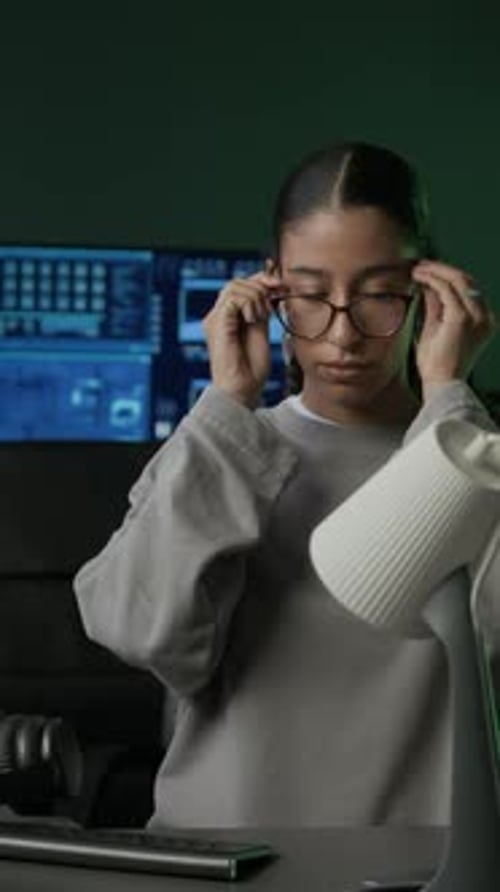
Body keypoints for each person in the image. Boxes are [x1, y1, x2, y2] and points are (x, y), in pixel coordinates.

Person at [74, 141, 498, 830]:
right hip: (224, 859)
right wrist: (226, 407)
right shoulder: (225, 448)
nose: (342, 334)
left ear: (428, 290)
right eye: (309, 296)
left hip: (418, 866)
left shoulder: (476, 458)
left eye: (379, 295)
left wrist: (449, 402)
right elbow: (141, 631)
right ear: (271, 288)